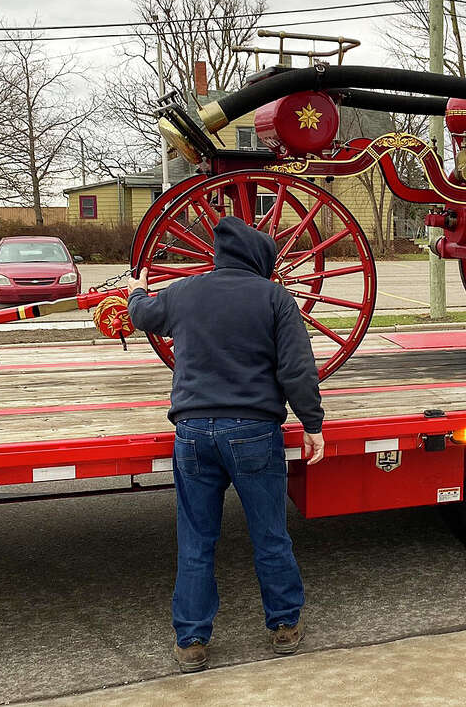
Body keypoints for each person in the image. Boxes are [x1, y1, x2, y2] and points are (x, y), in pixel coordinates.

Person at [127, 215, 325, 672]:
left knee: (196, 540)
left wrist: (136, 291)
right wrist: (312, 423)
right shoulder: (275, 299)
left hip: (193, 432)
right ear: (260, 260)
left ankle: (192, 640)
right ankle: (284, 626)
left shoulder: (184, 292)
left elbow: (142, 316)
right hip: (253, 431)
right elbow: (296, 369)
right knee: (269, 535)